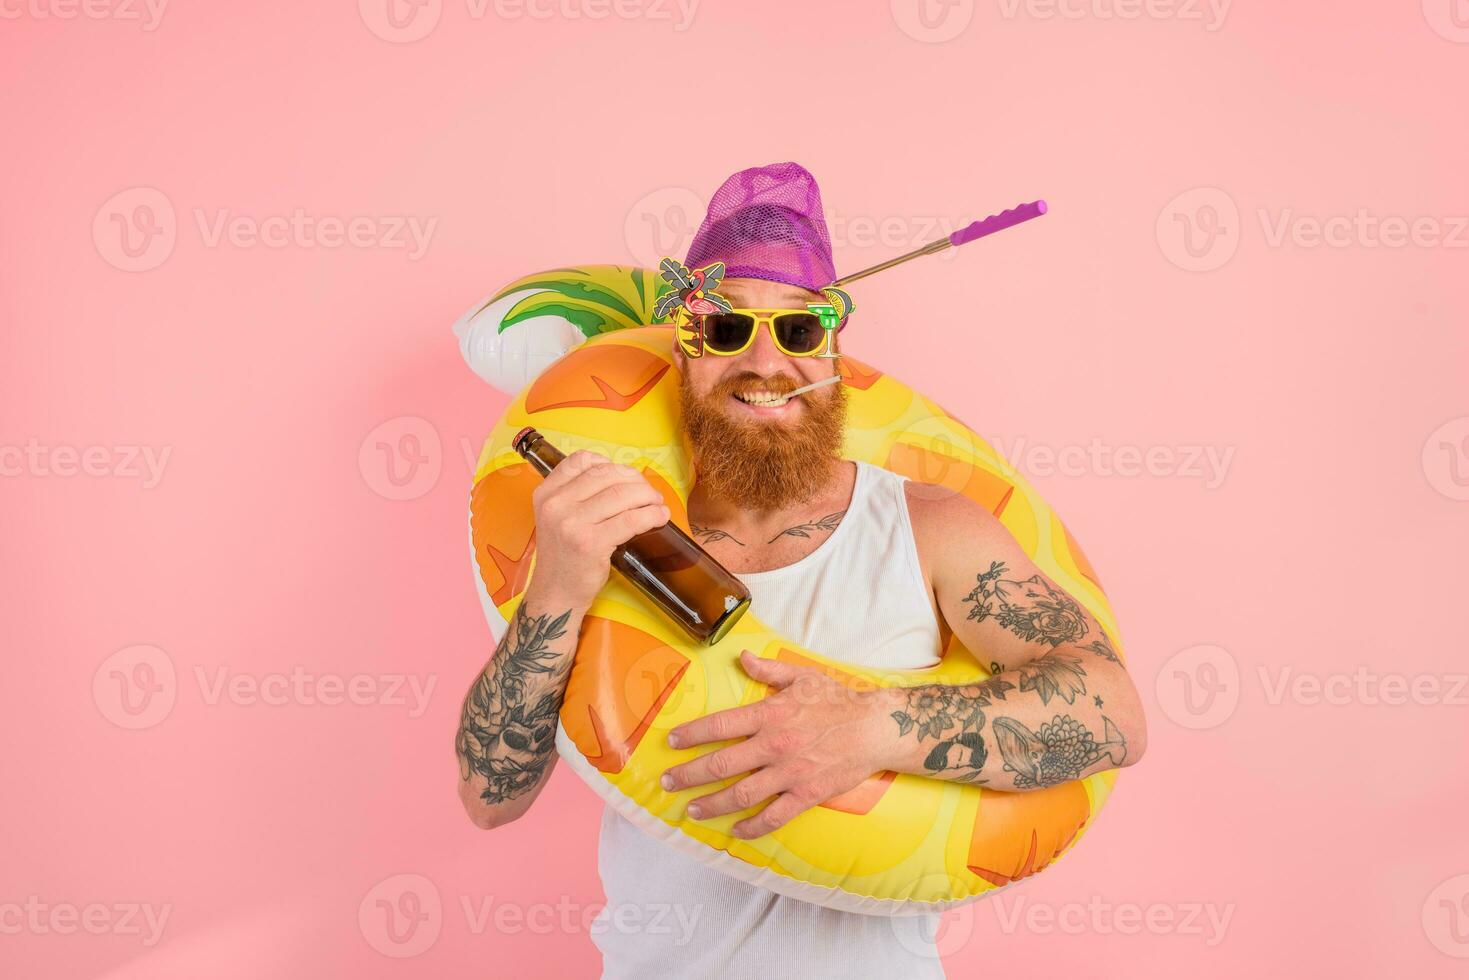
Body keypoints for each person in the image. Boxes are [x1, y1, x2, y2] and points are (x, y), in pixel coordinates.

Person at [454, 162, 1148, 978]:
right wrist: (558, 589)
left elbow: (1113, 715)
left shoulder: (926, 529)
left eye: (796, 330)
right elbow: (489, 799)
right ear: (681, 353)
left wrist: (873, 727)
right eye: (723, 330)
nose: (764, 361)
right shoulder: (613, 532)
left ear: (832, 353)